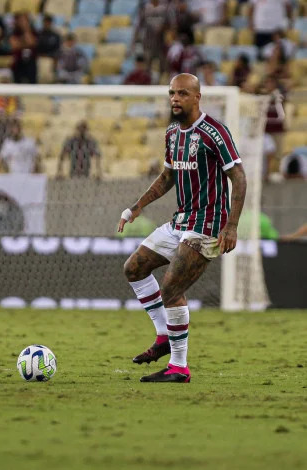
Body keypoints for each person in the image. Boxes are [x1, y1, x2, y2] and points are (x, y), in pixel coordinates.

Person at [118, 73, 247, 383]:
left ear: (197, 97)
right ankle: (164, 336)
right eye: (172, 93)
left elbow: (239, 177)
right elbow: (167, 177)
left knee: (172, 288)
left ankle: (179, 367)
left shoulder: (214, 132)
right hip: (181, 221)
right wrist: (137, 206)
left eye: (182, 94)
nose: (175, 99)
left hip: (208, 225)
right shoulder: (173, 133)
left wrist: (231, 227)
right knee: (134, 268)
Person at [10, 12, 38, 84]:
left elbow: (32, 42)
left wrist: (26, 29)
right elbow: (15, 46)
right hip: (18, 61)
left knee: (32, 83)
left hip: (31, 62)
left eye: (24, 20)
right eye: (20, 20)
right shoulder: (15, 32)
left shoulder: (33, 31)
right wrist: (26, 44)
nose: (22, 22)